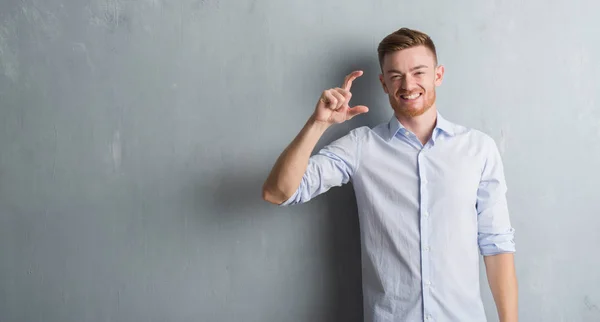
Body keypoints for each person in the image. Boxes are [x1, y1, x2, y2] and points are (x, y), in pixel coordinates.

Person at [262, 27, 518, 322]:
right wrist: (318, 124)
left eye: (419, 72)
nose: (408, 84)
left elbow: (496, 245)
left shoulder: (478, 148)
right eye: (396, 75)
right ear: (384, 83)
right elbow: (278, 192)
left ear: (438, 75)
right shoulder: (361, 147)